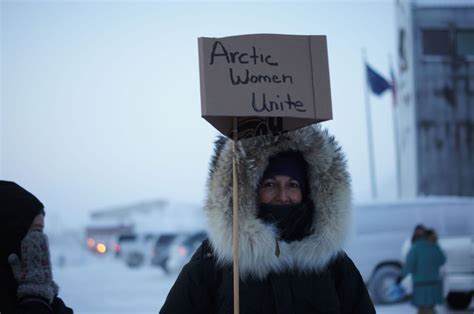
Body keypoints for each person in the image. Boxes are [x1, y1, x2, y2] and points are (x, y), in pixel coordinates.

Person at [160, 125, 375, 314]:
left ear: (307, 191)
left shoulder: (332, 262)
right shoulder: (215, 260)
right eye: (270, 184)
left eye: (293, 185)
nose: (283, 195)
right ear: (250, 191)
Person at [0, 181, 73, 314]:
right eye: (34, 231)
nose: (39, 241)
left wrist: (42, 295)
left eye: (41, 231)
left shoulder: (25, 285)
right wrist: (35, 301)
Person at [399, 227, 446, 314]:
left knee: (424, 309)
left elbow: (409, 265)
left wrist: (400, 277)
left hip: (421, 286)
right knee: (428, 308)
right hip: (434, 284)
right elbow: (442, 260)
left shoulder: (415, 249)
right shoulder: (434, 246)